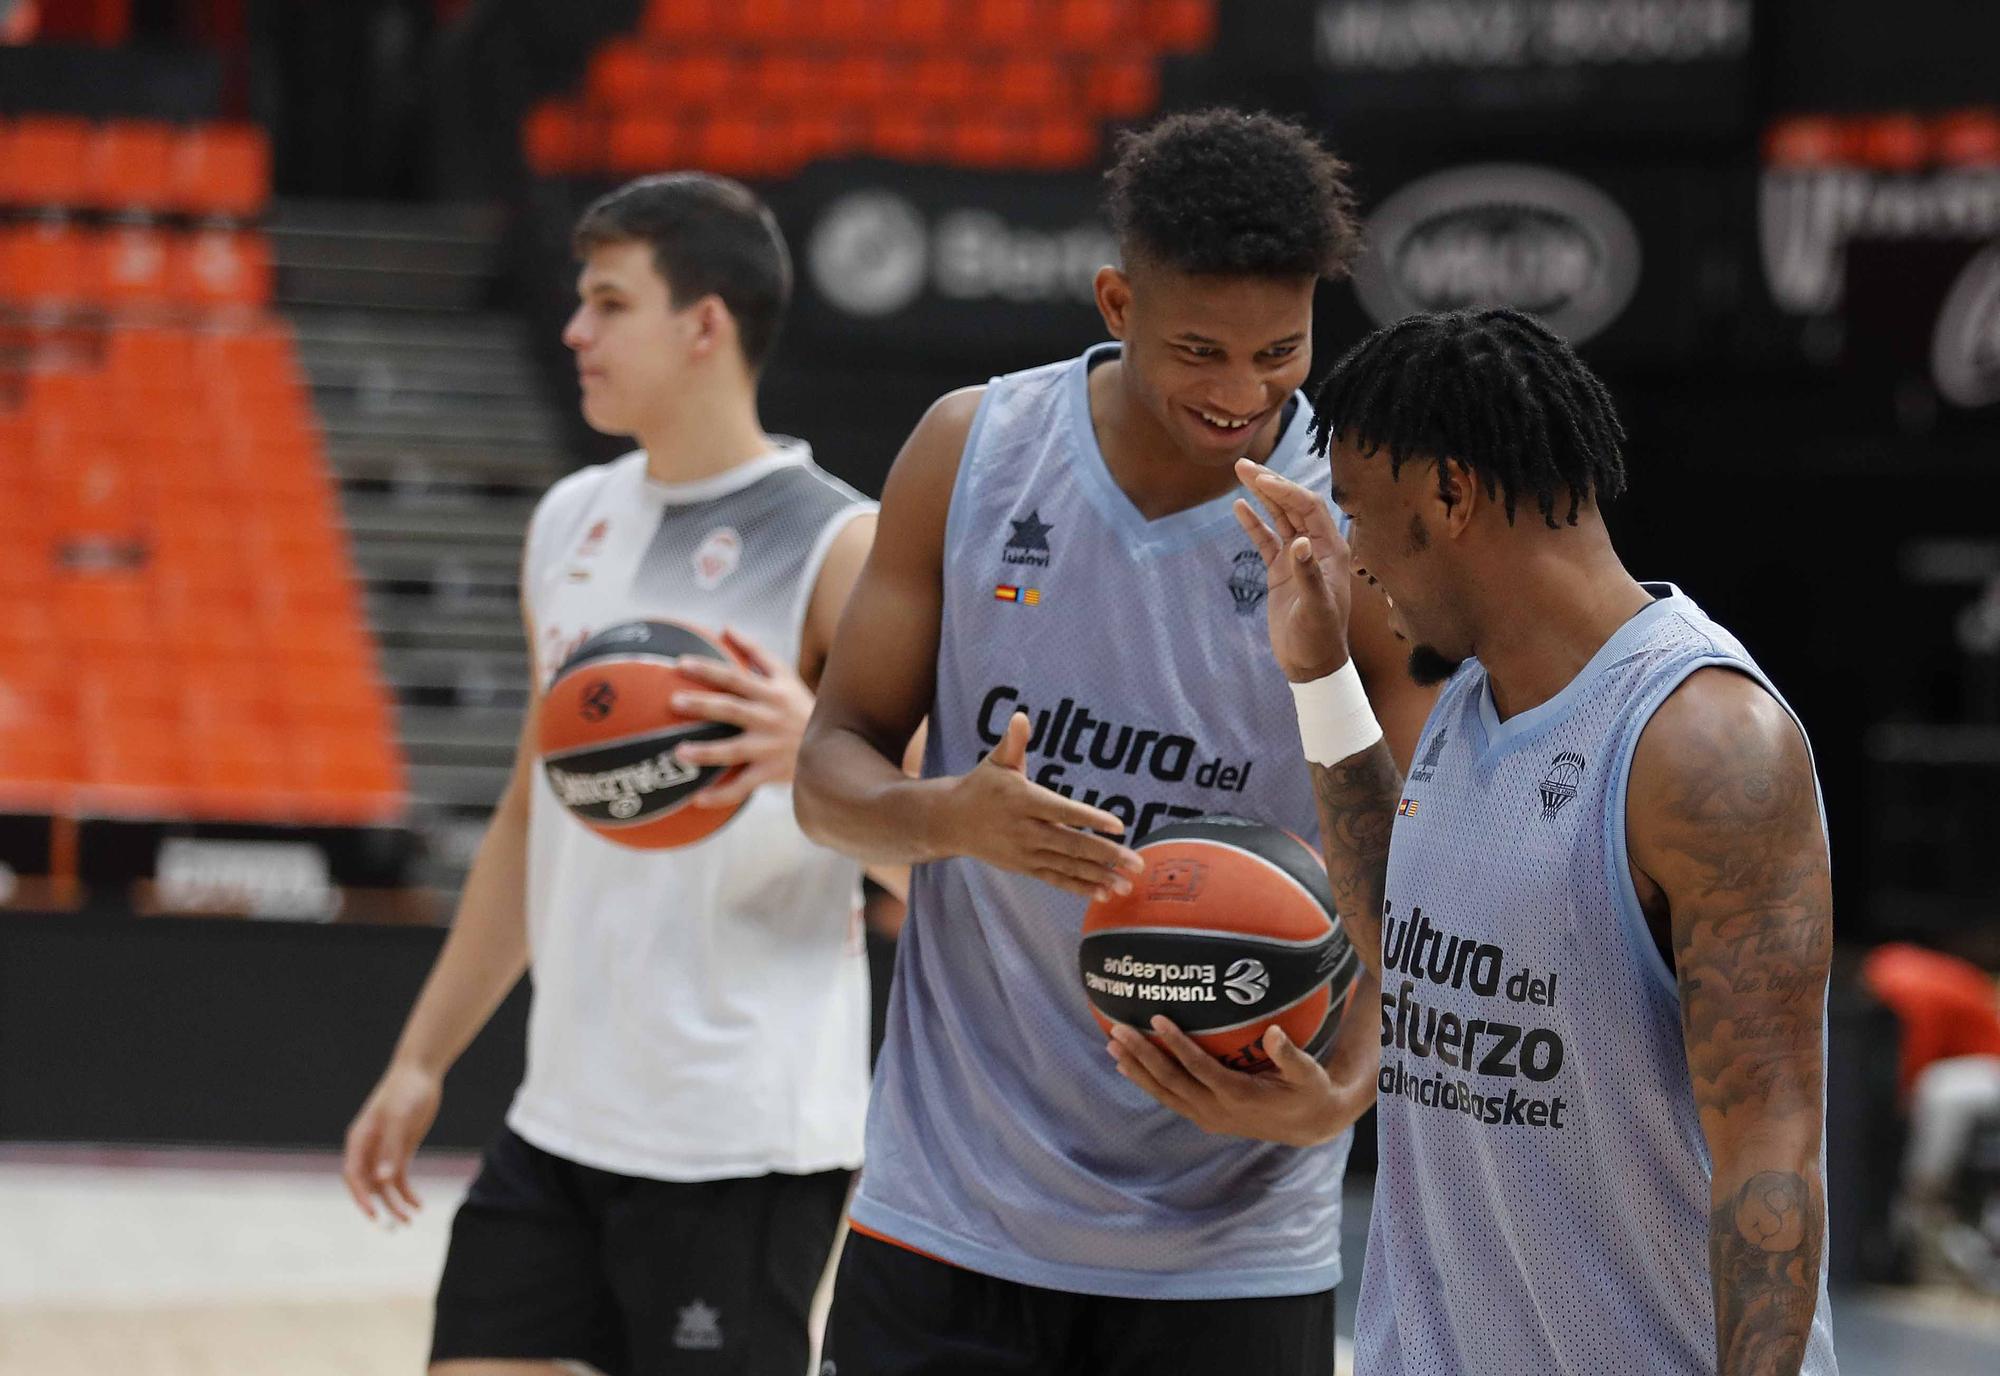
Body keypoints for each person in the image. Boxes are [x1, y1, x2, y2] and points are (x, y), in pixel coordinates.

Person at [794, 109, 1432, 1374]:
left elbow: (1421, 844)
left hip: (1236, 1230)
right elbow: (827, 771)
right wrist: (945, 817)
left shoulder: (1357, 512)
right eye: (1199, 349)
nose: (1242, 395)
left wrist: (1349, 1081)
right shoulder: (969, 453)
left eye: (1279, 352)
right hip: (951, 1207)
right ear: (1115, 300)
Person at [1219, 306, 1839, 1373]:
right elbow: (1398, 947)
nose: (1352, 558)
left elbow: (1767, 1149)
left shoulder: (1703, 741)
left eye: (1359, 516)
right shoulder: (1466, 703)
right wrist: (1318, 674)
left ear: (1450, 493)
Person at [342, 172, 882, 1376]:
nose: (573, 332)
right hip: (561, 1116)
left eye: (606, 302)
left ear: (706, 324)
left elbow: (940, 850)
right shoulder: (569, 519)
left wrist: (823, 763)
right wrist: (423, 1055)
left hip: (740, 1138)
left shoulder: (842, 544)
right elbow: (533, 818)